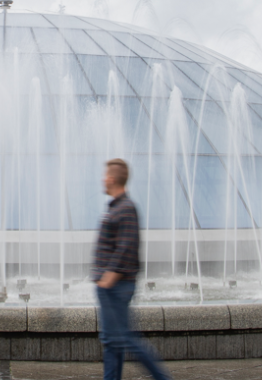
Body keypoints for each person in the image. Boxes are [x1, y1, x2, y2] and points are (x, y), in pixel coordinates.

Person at [92, 159, 170, 380]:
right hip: (111, 286)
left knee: (126, 340)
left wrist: (108, 277)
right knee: (112, 342)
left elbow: (127, 246)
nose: (102, 179)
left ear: (112, 179)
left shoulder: (126, 208)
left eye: (105, 175)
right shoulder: (116, 207)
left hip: (116, 286)